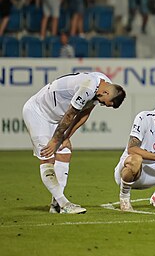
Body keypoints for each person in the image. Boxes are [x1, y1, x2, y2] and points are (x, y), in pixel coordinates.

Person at [22, 72, 126, 214]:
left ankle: (56, 205)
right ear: (106, 92)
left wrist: (66, 137)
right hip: (38, 113)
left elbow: (84, 113)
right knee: (47, 157)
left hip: (55, 119)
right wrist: (54, 140)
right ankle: (65, 204)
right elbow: (71, 114)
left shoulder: (104, 85)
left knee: (65, 152)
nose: (102, 104)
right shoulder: (88, 87)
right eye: (104, 103)